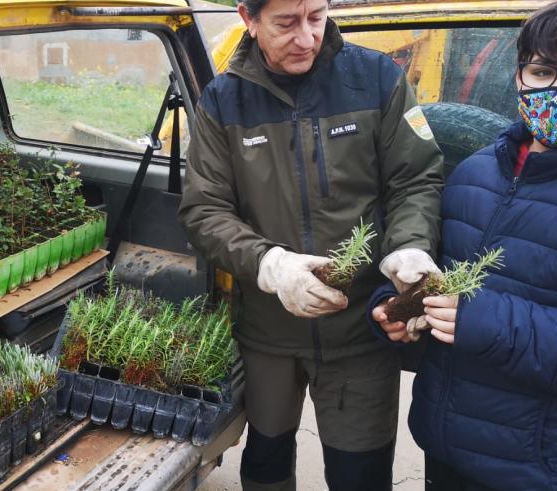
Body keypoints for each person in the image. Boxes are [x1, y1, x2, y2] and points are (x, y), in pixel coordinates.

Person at [369, 1, 557, 489]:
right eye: (543, 70)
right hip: (448, 443)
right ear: (519, 75)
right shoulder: (474, 173)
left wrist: (481, 320)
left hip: (545, 465)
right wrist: (396, 306)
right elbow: (440, 281)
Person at [177, 0, 444, 488]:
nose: (306, 37)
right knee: (266, 456)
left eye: (316, 17)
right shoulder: (223, 101)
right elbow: (204, 209)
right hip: (267, 333)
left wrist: (408, 248)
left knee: (359, 468)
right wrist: (270, 265)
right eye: (286, 23)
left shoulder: (377, 79)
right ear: (249, 19)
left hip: (361, 329)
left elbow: (416, 179)